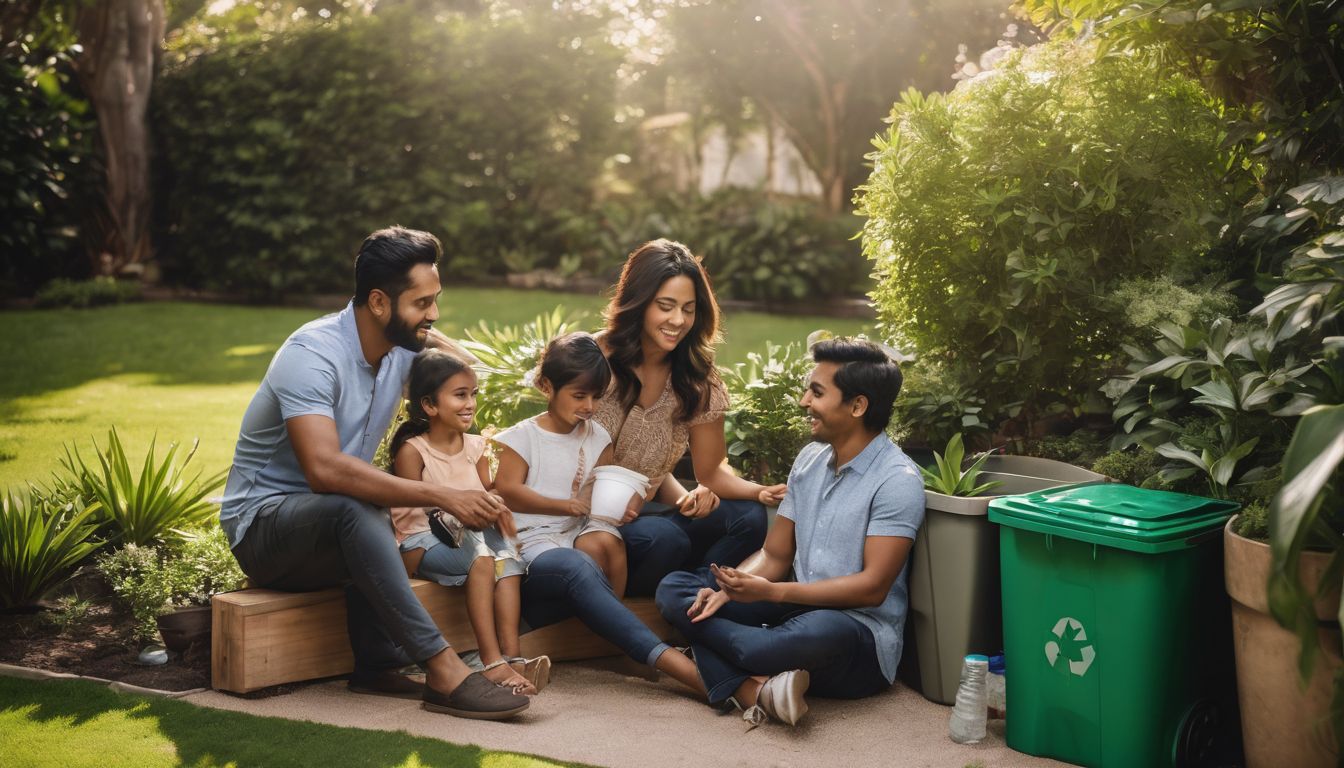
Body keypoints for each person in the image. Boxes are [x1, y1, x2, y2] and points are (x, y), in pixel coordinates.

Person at [219, 226, 530, 720]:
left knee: (367, 505)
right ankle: (444, 671)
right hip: (265, 531)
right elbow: (323, 471)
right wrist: (443, 495)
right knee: (355, 502)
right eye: (422, 302)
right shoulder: (312, 355)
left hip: (329, 532)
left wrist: (423, 331)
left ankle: (378, 663)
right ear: (379, 302)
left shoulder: (400, 349)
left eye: (436, 299)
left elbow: (464, 368)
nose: (434, 313)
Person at [655, 337, 925, 728]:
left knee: (795, 634)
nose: (803, 401)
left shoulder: (897, 481)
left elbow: (872, 587)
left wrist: (773, 592)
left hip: (856, 633)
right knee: (676, 590)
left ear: (858, 405)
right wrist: (729, 589)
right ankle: (758, 685)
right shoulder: (810, 461)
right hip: (796, 608)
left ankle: (715, 660)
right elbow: (776, 555)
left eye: (816, 392)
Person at [495, 332, 705, 694]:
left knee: (611, 541)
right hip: (531, 541)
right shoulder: (522, 437)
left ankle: (614, 631)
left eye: (596, 396)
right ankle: (671, 663)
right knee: (578, 565)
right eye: (579, 396)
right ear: (546, 386)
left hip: (577, 530)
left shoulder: (596, 437)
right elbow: (508, 491)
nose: (590, 406)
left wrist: (623, 504)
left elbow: (601, 481)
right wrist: (565, 505)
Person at [594, 239, 788, 598]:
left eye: (688, 308)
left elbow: (711, 472)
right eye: (665, 306)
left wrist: (759, 492)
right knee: (665, 539)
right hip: (585, 523)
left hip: (646, 522)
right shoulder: (592, 360)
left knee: (747, 517)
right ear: (638, 302)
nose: (678, 321)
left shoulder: (697, 379)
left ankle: (693, 594)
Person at [386, 348, 545, 695]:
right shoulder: (414, 451)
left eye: (473, 394)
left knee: (509, 557)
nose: (470, 403)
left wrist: (496, 505)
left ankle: (513, 657)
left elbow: (485, 490)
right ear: (429, 405)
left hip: (469, 540)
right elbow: (408, 507)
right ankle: (492, 663)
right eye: (460, 395)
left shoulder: (474, 447)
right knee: (482, 553)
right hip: (420, 543)